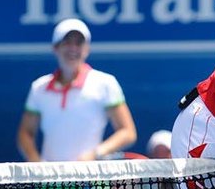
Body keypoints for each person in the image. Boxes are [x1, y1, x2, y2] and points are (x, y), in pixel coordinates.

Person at [17, 18, 137, 162]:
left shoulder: (106, 83)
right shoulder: (39, 88)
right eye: (67, 42)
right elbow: (25, 133)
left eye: (79, 43)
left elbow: (128, 132)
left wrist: (95, 153)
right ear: (55, 48)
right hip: (49, 181)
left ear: (87, 49)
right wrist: (36, 163)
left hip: (90, 179)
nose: (73, 48)